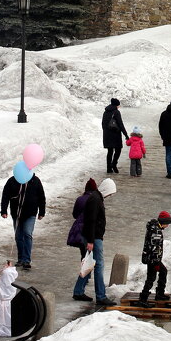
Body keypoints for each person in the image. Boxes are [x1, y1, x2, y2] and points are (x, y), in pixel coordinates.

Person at [74, 177, 117, 307]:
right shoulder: (95, 199)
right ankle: (101, 296)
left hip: (93, 237)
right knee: (99, 265)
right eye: (110, 192)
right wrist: (91, 241)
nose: (110, 195)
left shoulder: (95, 197)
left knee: (89, 263)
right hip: (94, 238)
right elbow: (91, 221)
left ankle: (78, 291)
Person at [0, 171, 46, 270]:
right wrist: (3, 210)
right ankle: (20, 259)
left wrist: (42, 212)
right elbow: (5, 196)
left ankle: (27, 260)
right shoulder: (12, 181)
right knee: (18, 236)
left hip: (30, 214)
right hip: (16, 214)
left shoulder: (35, 181)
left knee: (27, 233)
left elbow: (41, 197)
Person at [68, 178, 98, 300]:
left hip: (79, 233)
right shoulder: (94, 200)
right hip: (88, 233)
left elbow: (75, 214)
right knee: (89, 259)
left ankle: (85, 278)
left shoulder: (80, 199)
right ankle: (80, 288)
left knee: (85, 256)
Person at [138, 211, 171, 305]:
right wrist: (156, 262)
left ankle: (159, 293)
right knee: (151, 278)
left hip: (151, 258)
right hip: (153, 259)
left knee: (161, 272)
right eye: (167, 223)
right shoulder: (156, 231)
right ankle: (143, 298)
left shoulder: (154, 228)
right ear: (163, 222)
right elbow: (155, 248)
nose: (168, 226)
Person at [102, 97, 128, 174]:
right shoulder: (116, 112)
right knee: (118, 149)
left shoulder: (105, 112)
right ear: (116, 105)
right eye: (118, 105)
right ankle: (114, 164)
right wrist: (126, 135)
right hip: (115, 134)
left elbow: (103, 123)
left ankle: (108, 168)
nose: (119, 107)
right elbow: (120, 124)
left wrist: (105, 132)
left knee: (110, 151)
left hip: (107, 134)